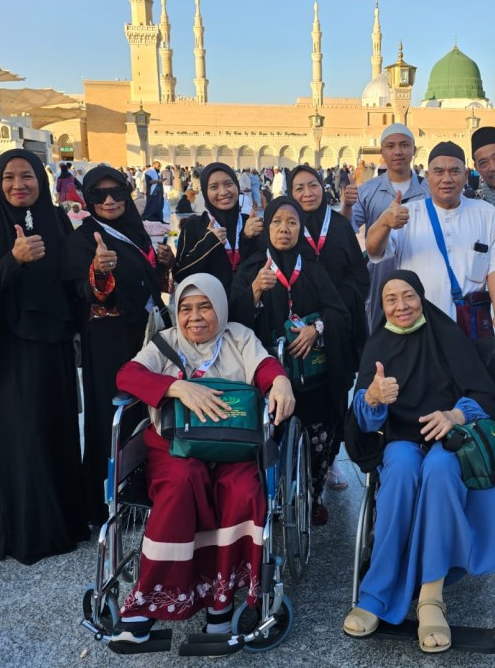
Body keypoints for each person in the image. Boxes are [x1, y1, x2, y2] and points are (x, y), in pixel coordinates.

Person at [112, 274, 295, 644]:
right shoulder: (164, 343)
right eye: (186, 308)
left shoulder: (239, 336)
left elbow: (264, 368)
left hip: (233, 448)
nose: (195, 317)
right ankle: (147, 604)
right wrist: (176, 387)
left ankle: (221, 603)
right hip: (174, 450)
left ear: (221, 307)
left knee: (243, 490)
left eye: (205, 306)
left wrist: (280, 381)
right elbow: (127, 376)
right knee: (181, 484)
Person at [342, 270, 495, 653]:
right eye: (391, 299)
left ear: (421, 296)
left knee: (438, 471)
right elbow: (363, 423)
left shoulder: (447, 335)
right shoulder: (378, 345)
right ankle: (376, 594)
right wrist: (372, 398)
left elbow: (484, 396)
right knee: (401, 471)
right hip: (399, 439)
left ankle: (431, 597)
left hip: (449, 439)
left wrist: (454, 415)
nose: (401, 306)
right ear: (381, 306)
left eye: (408, 296)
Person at [0, 148, 88, 564]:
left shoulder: (56, 220)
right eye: (9, 177)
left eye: (27, 176)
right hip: (9, 354)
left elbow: (71, 280)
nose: (19, 185)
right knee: (24, 437)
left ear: (40, 180)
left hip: (53, 348)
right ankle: (30, 533)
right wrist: (12, 261)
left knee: (55, 430)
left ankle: (65, 523)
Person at [61, 166, 175, 524]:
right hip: (109, 342)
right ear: (88, 200)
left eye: (117, 193)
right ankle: (108, 500)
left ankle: (142, 493)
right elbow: (82, 293)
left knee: (147, 413)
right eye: (99, 195)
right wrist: (99, 270)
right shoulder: (83, 240)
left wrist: (163, 265)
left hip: (145, 336)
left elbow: (147, 282)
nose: (109, 201)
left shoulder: (136, 232)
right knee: (115, 413)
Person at [230, 197, 354, 524]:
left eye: (292, 222)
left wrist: (317, 328)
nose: (284, 229)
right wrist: (255, 291)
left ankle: (312, 496)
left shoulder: (313, 267)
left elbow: (339, 312)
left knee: (320, 438)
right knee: (266, 441)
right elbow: (230, 320)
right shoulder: (251, 268)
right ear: (267, 227)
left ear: (300, 228)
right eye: (277, 222)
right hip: (268, 377)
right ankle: (268, 498)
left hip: (313, 378)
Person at [365, 141, 495, 334]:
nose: (447, 179)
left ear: (466, 175)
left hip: (469, 325)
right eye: (439, 172)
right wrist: (384, 222)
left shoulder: (484, 212)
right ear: (427, 176)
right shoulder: (408, 213)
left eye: (455, 171)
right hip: (420, 326)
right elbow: (374, 250)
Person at [288, 165, 370, 490]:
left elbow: (358, 275)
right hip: (302, 328)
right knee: (305, 391)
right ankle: (298, 456)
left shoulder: (338, 226)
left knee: (336, 392)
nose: (308, 193)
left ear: (324, 188)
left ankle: (330, 458)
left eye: (313, 186)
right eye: (299, 188)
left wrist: (336, 301)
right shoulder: (289, 227)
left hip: (338, 326)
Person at [343, 123, 430, 331]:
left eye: (404, 145)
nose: (398, 151)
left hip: (423, 268)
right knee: (380, 328)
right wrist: (346, 205)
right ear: (382, 152)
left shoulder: (429, 189)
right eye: (390, 146)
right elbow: (346, 230)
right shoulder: (368, 190)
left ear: (414, 150)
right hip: (380, 274)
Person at [174, 163, 264, 288]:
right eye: (214, 187)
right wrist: (208, 243)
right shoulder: (194, 225)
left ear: (237, 186)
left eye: (228, 184)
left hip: (247, 304)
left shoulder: (250, 223)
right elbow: (180, 274)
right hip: (210, 305)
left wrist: (247, 239)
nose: (223, 192)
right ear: (205, 192)